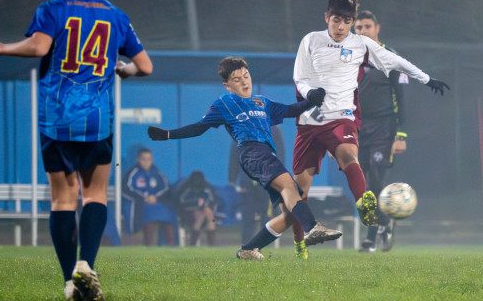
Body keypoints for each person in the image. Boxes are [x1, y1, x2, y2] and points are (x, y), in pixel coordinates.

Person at [0, 0, 153, 301]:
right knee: (94, 196)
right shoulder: (116, 16)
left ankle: (69, 281)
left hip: (56, 119)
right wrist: (125, 69)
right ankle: (86, 266)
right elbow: (145, 66)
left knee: (62, 198)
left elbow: (39, 48)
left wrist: (0, 47)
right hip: (97, 122)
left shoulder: (52, 9)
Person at [275, 0, 448, 244]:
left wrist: (426, 78)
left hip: (343, 118)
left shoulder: (361, 44)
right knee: (300, 192)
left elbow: (396, 61)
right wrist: (310, 93)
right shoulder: (311, 41)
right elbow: (299, 78)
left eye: (347, 21)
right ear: (327, 17)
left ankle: (364, 207)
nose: (341, 26)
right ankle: (300, 245)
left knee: (349, 155)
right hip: (310, 123)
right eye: (337, 20)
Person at [146, 56, 342, 260]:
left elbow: (291, 110)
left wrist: (312, 100)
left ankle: (248, 249)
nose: (244, 81)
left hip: (266, 155)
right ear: (227, 85)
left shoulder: (262, 101)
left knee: (289, 214)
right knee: (290, 189)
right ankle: (313, 228)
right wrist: (169, 134)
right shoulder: (224, 103)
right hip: (252, 153)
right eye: (237, 79)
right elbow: (199, 127)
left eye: (246, 76)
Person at [353, 10, 409, 253]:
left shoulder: (391, 57)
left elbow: (403, 98)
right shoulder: (349, 59)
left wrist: (401, 134)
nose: (362, 31)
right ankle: (385, 222)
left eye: (367, 26)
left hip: (384, 128)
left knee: (376, 179)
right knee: (361, 185)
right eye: (358, 28)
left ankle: (372, 236)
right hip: (357, 128)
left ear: (377, 28)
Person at [122, 148, 177, 246]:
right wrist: (143, 198)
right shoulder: (132, 172)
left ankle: (170, 245)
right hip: (139, 204)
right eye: (144, 159)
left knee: (167, 217)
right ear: (138, 160)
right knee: (149, 218)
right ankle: (149, 245)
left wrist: (156, 198)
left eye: (149, 159)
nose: (146, 162)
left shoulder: (157, 173)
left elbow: (166, 188)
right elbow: (126, 188)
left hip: (157, 203)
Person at [173, 170, 218, 246]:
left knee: (209, 215)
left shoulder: (207, 188)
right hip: (187, 214)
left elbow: (213, 202)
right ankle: (206, 244)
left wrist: (204, 206)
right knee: (202, 215)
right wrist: (196, 206)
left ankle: (203, 244)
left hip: (206, 214)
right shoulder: (185, 187)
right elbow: (180, 203)